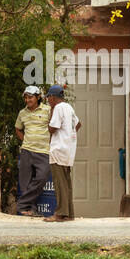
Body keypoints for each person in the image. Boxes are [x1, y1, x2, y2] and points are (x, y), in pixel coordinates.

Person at [13, 85, 52, 216]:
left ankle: (22, 204)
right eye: (26, 97)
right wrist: (25, 141)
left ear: (38, 97)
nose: (28, 100)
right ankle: (30, 209)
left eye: (30, 97)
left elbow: (53, 128)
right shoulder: (22, 113)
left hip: (44, 151)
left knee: (42, 178)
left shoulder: (48, 110)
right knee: (25, 183)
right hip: (27, 151)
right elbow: (18, 129)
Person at [45, 84, 82, 222]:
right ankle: (69, 213)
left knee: (59, 183)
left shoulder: (58, 108)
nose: (48, 100)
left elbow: (52, 129)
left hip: (58, 150)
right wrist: (68, 135)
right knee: (66, 183)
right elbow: (78, 124)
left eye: (48, 97)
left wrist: (51, 113)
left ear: (53, 97)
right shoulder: (69, 108)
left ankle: (60, 213)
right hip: (68, 149)